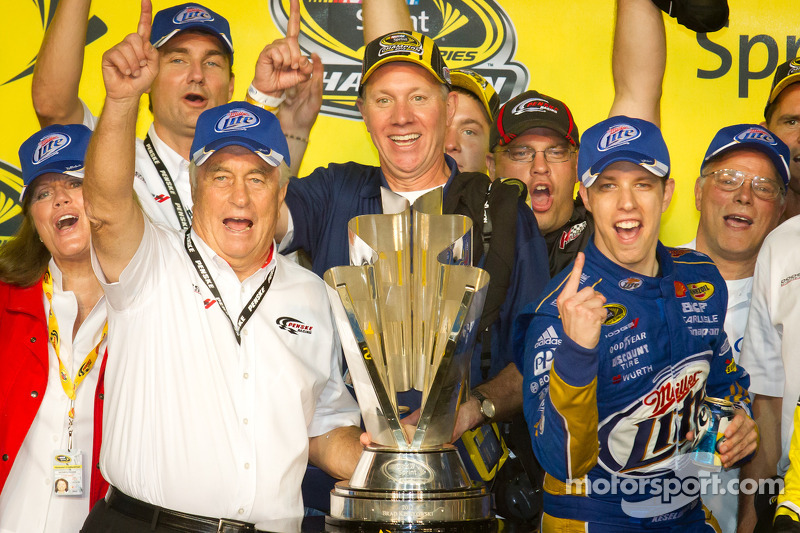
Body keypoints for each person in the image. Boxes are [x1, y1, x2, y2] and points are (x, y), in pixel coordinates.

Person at [78, 6, 362, 529]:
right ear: (193, 187)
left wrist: (397, 463)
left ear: (281, 193)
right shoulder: (151, 262)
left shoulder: (312, 293)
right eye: (220, 176)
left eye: (256, 179)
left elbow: (322, 425)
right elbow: (106, 206)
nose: (239, 195)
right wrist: (120, 100)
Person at [515, 115, 758, 531]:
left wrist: (737, 424)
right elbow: (563, 462)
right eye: (608, 185)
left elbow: (720, 388)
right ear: (585, 198)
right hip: (593, 518)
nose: (626, 203)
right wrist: (576, 352)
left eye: (643, 184)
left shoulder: (700, 277)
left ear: (667, 194)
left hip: (683, 512)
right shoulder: (559, 311)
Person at [31, 0, 321, 231]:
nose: (196, 75)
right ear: (149, 77)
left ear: (231, 85)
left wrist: (266, 105)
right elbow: (52, 105)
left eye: (211, 63)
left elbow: (268, 201)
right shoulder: (114, 160)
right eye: (178, 60)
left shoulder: (246, 177)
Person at [0, 124, 109, 532]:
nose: (60, 197)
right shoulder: (5, 302)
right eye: (43, 193)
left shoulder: (146, 306)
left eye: (75, 182)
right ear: (34, 219)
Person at [361, 0, 500, 174]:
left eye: (469, 132)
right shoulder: (388, 196)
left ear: (493, 156)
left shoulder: (509, 199)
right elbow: (393, 57)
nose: (450, 144)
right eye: (442, 127)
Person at [488, 90, 593, 277]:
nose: (540, 167)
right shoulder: (467, 242)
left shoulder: (605, 239)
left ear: (577, 166)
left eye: (556, 152)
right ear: (492, 168)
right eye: (521, 153)